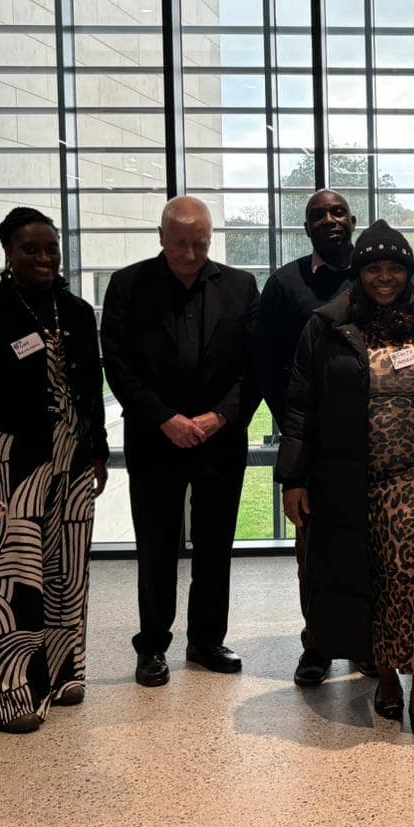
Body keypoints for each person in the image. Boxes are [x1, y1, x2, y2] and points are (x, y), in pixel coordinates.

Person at [278, 221, 414, 736]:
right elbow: (301, 406)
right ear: (359, 273)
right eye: (373, 268)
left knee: (410, 570)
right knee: (368, 573)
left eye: (394, 267)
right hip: (349, 476)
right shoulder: (327, 327)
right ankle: (387, 675)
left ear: (408, 271)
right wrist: (294, 479)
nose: (384, 277)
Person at [0, 208, 108, 733]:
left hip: (71, 457)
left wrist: (98, 449)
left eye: (50, 248)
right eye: (30, 249)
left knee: (68, 569)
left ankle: (63, 674)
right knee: (10, 573)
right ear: (8, 253)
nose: (43, 258)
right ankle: (8, 695)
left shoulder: (77, 311)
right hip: (7, 459)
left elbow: (92, 389)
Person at [101, 196, 261, 689]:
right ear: (161, 237)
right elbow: (118, 365)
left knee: (216, 545)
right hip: (155, 440)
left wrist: (219, 417)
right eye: (180, 245)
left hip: (220, 439)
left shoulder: (241, 285)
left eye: (200, 244)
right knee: (156, 547)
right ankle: (152, 644)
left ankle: (207, 641)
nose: (191, 255)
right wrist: (166, 419)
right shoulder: (128, 285)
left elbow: (254, 366)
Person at [259, 189, 363, 687]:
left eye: (337, 212)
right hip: (315, 445)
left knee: (369, 547)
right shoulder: (285, 284)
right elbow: (267, 364)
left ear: (353, 219)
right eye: (318, 215)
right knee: (315, 551)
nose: (329, 220)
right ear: (306, 228)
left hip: (373, 440)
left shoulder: (377, 275)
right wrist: (297, 426)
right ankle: (317, 644)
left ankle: (364, 642)